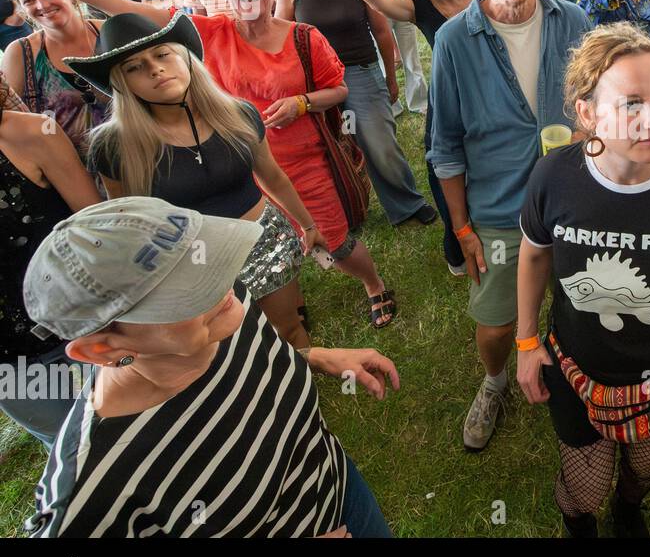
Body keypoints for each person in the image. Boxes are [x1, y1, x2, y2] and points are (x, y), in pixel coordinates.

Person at [0, 0, 402, 328]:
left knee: (335, 241)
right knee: (244, 275)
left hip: (304, 162)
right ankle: (283, 321)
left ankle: (372, 284)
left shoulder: (303, 35)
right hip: (229, 167)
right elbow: (118, 4)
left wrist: (301, 103)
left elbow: (339, 89)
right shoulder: (210, 33)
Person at [23, 197, 401, 537]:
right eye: (178, 293)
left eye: (196, 256)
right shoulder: (89, 486)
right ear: (102, 349)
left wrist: (314, 357)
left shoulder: (221, 305)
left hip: (340, 488)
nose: (216, 280)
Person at [516, 23, 650, 537]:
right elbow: (531, 259)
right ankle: (581, 518)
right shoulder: (554, 176)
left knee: (645, 468)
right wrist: (527, 342)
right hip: (576, 368)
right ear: (587, 111)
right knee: (584, 490)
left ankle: (630, 508)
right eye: (631, 103)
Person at [428, 0, 591, 452]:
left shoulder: (572, 19)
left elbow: (599, 104)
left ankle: (576, 372)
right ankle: (494, 381)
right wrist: (463, 230)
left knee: (584, 306)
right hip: (498, 213)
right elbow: (445, 146)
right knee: (498, 325)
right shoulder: (454, 40)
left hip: (573, 202)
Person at [63, 11, 322, 348]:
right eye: (134, 67)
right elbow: (128, 220)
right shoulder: (113, 146)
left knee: (288, 331)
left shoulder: (239, 113)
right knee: (229, 348)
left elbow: (271, 174)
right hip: (189, 265)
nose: (155, 69)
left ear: (184, 58)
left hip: (264, 242)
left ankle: (302, 387)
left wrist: (308, 224)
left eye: (162, 55)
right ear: (121, 83)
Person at [278, 0, 434, 229]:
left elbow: (381, 29)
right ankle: (347, 210)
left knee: (380, 142)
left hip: (360, 70)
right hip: (316, 79)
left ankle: (406, 203)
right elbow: (282, 33)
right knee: (332, 147)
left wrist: (391, 78)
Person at [337, 0, 477, 276]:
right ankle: (455, 241)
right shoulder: (418, 5)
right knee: (442, 169)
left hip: (489, 97)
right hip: (449, 102)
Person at [0, 84, 100, 446]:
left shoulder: (29, 134)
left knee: (136, 422)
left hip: (83, 317)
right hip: (10, 361)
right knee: (70, 448)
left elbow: (96, 227)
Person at [0, 0, 109, 158]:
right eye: (29, 1)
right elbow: (13, 121)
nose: (41, 5)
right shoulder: (21, 52)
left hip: (142, 157)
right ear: (23, 11)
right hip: (72, 171)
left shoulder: (109, 32)